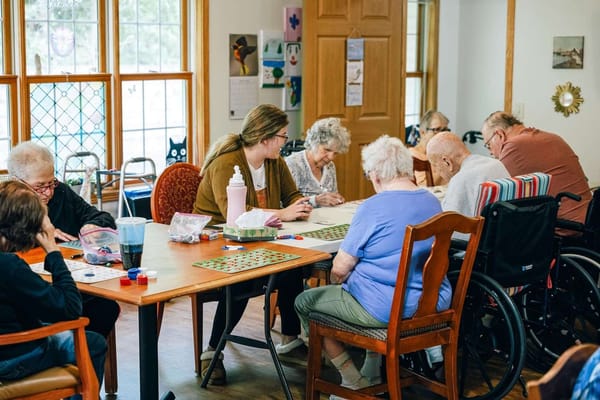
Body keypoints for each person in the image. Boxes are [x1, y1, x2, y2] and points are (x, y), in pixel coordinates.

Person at [295, 135, 445, 394]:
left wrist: (338, 282)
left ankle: (352, 379)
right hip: (435, 303)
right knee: (364, 293)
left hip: (386, 309)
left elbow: (340, 269)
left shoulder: (373, 207)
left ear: (375, 174)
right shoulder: (432, 200)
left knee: (306, 302)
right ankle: (373, 367)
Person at [193, 104, 313, 385]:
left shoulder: (275, 162)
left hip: (258, 239)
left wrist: (301, 205)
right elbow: (232, 215)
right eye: (282, 136)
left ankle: (290, 338)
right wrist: (282, 214)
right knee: (243, 282)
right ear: (265, 138)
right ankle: (212, 351)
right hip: (217, 241)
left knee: (294, 266)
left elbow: (291, 193)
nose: (285, 141)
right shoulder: (227, 163)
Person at [0, 180, 107, 397]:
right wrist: (52, 250)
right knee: (93, 342)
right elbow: (70, 309)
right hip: (11, 358)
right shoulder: (9, 267)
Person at [7, 141, 120, 338]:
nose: (48, 192)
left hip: (65, 277)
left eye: (51, 183)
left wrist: (90, 226)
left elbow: (102, 217)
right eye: (40, 187)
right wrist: (43, 234)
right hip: (27, 286)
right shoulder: (9, 207)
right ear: (18, 183)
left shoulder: (61, 193)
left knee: (105, 307)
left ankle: (78, 359)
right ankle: (72, 353)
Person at [481, 111, 591, 230]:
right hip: (589, 221)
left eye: (488, 145)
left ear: (499, 135)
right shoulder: (553, 137)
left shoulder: (513, 146)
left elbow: (493, 195)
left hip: (565, 227)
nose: (491, 152)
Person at [427, 131, 510, 219]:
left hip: (482, 232)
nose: (437, 173)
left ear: (447, 162)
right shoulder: (496, 164)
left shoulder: (459, 180)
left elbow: (449, 227)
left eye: (436, 166)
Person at [285, 117, 350, 207]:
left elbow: (333, 197)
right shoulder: (293, 164)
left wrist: (336, 199)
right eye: (327, 150)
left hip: (326, 219)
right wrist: (315, 201)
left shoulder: (330, 166)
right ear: (314, 143)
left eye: (335, 153)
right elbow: (285, 204)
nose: (331, 157)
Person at [409, 109, 450, 186]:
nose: (442, 134)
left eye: (444, 130)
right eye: (436, 130)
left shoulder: (446, 151)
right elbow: (424, 187)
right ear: (422, 132)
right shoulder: (413, 156)